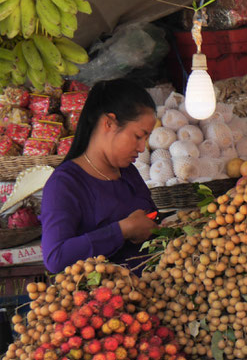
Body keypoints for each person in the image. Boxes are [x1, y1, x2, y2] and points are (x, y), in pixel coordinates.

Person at [40, 79, 158, 273]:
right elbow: (55, 257)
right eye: (138, 136)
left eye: (146, 139)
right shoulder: (64, 184)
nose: (142, 147)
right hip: (103, 300)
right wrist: (123, 230)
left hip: (152, 291)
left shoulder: (128, 172)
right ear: (109, 123)